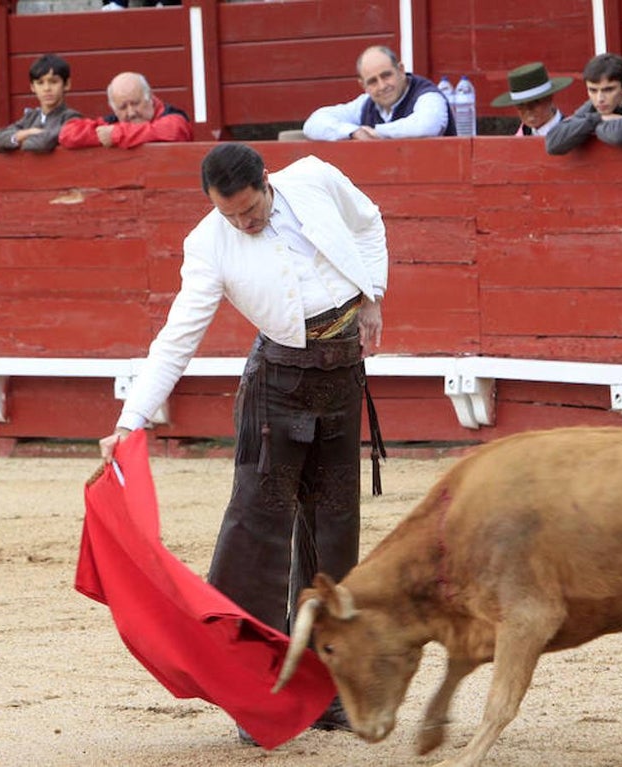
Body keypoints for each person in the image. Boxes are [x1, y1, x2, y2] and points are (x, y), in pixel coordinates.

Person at [97, 142, 387, 738]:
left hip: (339, 381)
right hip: (275, 392)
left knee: (333, 536)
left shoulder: (314, 179)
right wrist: (132, 419)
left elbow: (370, 222)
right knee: (255, 538)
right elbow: (178, 336)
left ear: (266, 182)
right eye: (230, 215)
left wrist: (372, 295)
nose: (242, 224)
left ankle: (323, 688)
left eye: (249, 211)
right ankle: (253, 691)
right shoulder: (209, 243)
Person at [302, 45, 454, 141]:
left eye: (386, 75)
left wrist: (377, 132)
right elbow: (313, 124)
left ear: (401, 70)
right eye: (373, 81)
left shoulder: (428, 95)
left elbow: (426, 125)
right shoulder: (365, 104)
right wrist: (353, 132)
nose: (382, 86)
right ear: (363, 85)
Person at [545, 53, 622, 155]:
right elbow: (553, 144)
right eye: (593, 90)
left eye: (608, 90)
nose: (600, 98)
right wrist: (599, 118)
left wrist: (588, 125)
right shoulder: (592, 107)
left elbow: (617, 135)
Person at [58, 72, 192, 148]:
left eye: (135, 103)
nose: (131, 112)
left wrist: (116, 135)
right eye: (122, 107)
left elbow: (174, 130)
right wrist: (103, 137)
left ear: (150, 97)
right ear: (113, 108)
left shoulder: (173, 117)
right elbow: (68, 134)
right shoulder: (113, 124)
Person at [0, 54, 82, 154]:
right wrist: (28, 132)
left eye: (53, 82)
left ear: (67, 84)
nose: (47, 88)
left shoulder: (71, 118)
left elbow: (41, 143)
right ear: (33, 87)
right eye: (40, 83)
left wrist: (19, 140)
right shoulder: (31, 117)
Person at [490, 61, 572, 137]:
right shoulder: (520, 136)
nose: (528, 110)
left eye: (535, 102)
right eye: (520, 105)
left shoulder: (571, 133)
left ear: (549, 98)